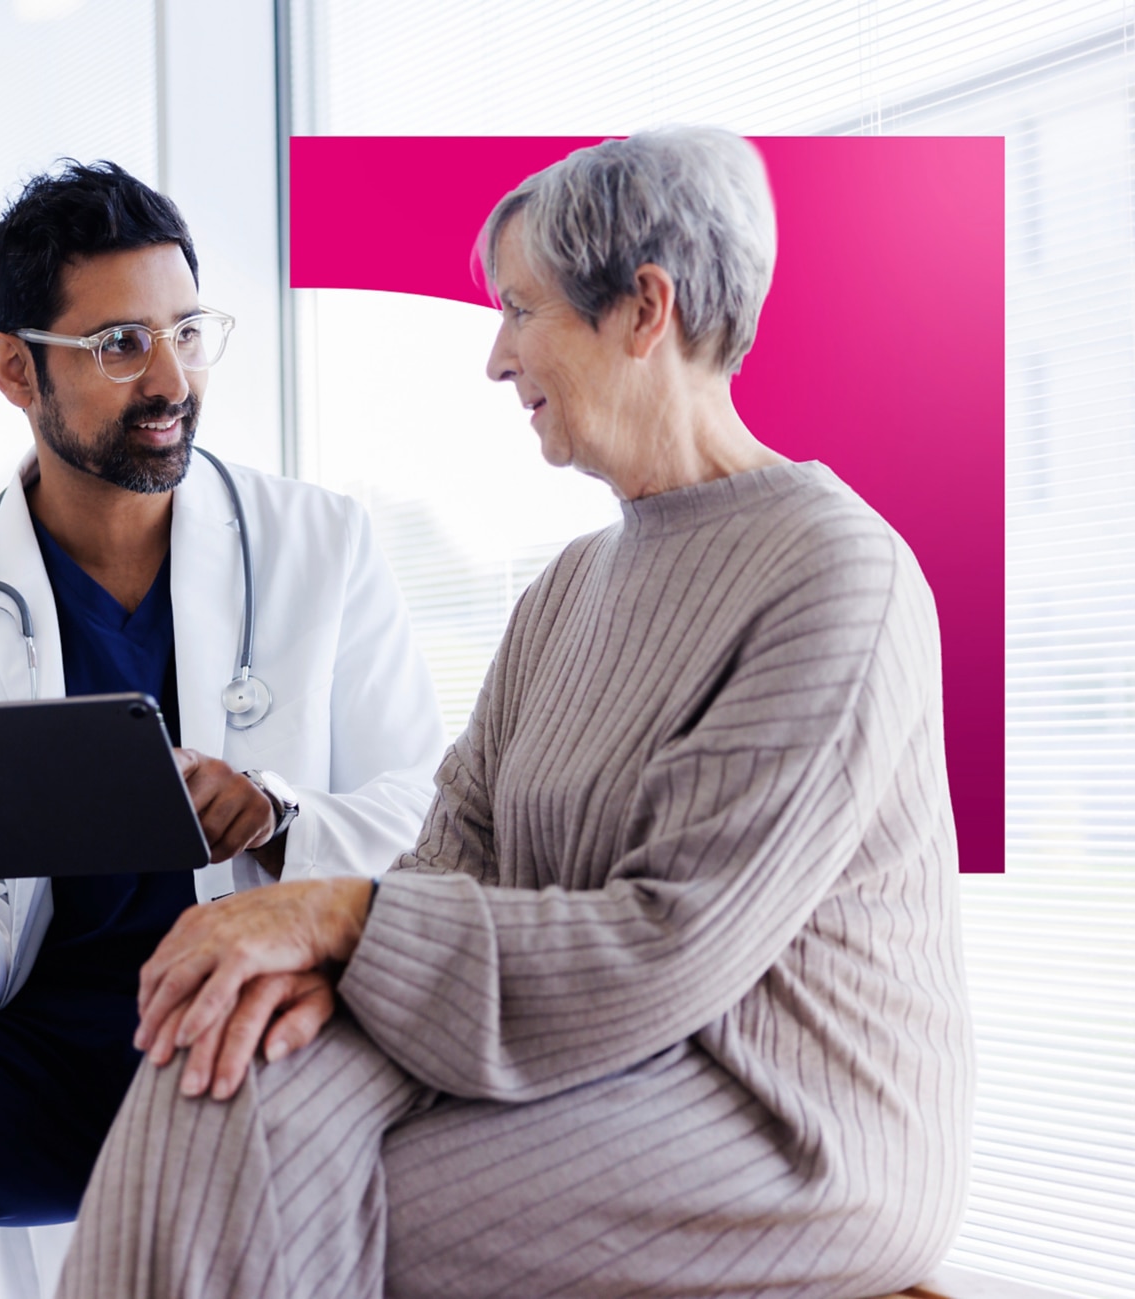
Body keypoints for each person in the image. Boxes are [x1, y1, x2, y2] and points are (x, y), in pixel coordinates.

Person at [57, 128, 975, 1299]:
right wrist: (313, 961)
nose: (496, 356)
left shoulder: (835, 576)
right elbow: (456, 854)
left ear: (646, 310)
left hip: (781, 1117)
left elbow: (669, 943)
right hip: (579, 1056)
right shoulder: (568, 592)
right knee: (214, 1072)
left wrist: (339, 923)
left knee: (296, 1201)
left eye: (520, 308)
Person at [0, 161, 445, 1298]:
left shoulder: (324, 547)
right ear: (17, 369)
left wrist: (278, 814)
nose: (170, 376)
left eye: (187, 331)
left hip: (258, 1017)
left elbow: (429, 816)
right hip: (47, 1053)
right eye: (119, 343)